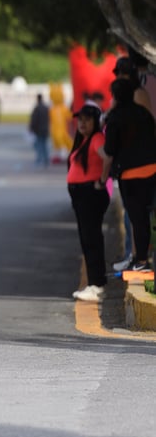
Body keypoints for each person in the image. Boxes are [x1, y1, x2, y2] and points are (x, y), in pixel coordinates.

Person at [99, 78, 156, 272]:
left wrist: (102, 179)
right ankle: (141, 258)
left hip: (130, 175)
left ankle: (141, 260)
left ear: (115, 96)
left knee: (136, 218)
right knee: (145, 217)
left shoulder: (115, 118)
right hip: (151, 170)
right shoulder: (144, 114)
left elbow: (109, 151)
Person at [67, 103, 110, 302]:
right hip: (81, 196)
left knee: (91, 238)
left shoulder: (96, 139)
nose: (82, 123)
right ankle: (95, 283)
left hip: (90, 195)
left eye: (87, 119)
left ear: (95, 121)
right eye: (80, 120)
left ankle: (97, 284)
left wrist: (102, 180)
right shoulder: (84, 141)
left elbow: (107, 157)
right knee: (87, 238)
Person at [29, 93, 50, 168]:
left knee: (39, 145)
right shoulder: (46, 107)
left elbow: (34, 119)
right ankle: (46, 159)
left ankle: (39, 159)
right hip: (46, 129)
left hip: (39, 129)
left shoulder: (37, 108)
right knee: (44, 144)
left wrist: (31, 128)